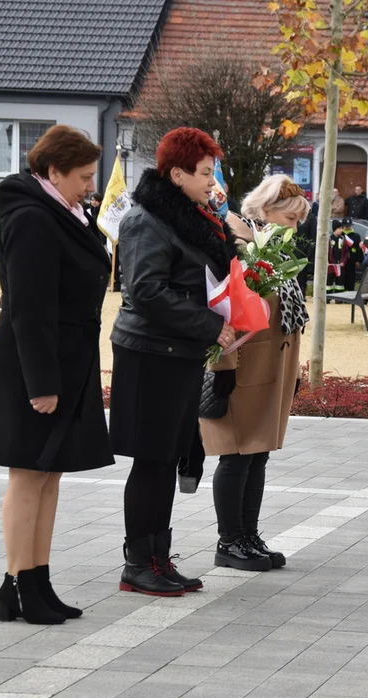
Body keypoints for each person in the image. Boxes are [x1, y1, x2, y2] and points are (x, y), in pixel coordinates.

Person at [0, 125, 113, 624]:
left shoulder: (65, 212)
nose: (90, 186)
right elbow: (29, 311)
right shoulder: (33, 219)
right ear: (52, 172)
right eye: (83, 177)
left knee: (50, 474)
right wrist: (42, 385)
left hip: (65, 363)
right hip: (33, 368)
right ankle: (16, 583)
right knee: (28, 475)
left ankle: (38, 578)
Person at [109, 127, 237, 597]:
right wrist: (209, 326)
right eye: (205, 172)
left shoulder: (188, 216)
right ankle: (139, 564)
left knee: (166, 460)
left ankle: (158, 558)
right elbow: (144, 290)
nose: (211, 180)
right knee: (152, 460)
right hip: (149, 354)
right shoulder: (148, 220)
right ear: (177, 173)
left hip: (175, 352)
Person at [200, 175, 309, 572]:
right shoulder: (240, 241)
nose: (295, 227)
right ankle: (230, 541)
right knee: (236, 455)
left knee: (258, 453)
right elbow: (225, 307)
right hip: (242, 365)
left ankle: (249, 535)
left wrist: (295, 367)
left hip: (272, 363)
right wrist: (222, 365)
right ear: (265, 210)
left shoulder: (274, 245)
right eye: (291, 217)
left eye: (299, 220)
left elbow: (286, 310)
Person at [326, 218, 349, 294]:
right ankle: (328, 297)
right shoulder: (329, 239)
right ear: (334, 229)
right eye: (339, 228)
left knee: (340, 282)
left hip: (340, 265)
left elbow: (346, 252)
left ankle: (339, 298)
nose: (341, 230)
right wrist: (326, 261)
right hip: (330, 265)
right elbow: (325, 252)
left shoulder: (343, 239)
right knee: (329, 281)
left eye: (341, 228)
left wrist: (343, 262)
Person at [341, 217, 364, 291]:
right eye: (346, 226)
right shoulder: (341, 235)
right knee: (342, 279)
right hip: (342, 262)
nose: (347, 228)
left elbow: (358, 249)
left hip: (352, 262)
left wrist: (359, 260)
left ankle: (349, 295)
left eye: (349, 226)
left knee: (351, 279)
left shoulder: (356, 236)